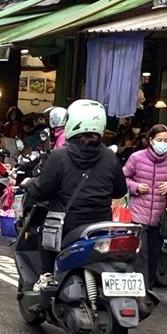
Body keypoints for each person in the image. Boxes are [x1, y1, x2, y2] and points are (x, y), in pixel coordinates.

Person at [27, 99, 127, 292]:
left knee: (42, 231)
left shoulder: (59, 156)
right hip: (101, 226)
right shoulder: (109, 157)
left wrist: (30, 186)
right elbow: (120, 191)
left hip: (68, 225)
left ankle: (47, 275)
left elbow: (43, 189)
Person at [123, 124, 167, 289]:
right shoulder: (137, 158)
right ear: (150, 140)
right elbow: (122, 179)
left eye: (166, 140)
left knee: (154, 254)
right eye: (159, 140)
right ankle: (139, 289)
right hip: (137, 216)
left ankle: (149, 290)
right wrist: (135, 187)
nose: (163, 143)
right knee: (140, 255)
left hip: (159, 218)